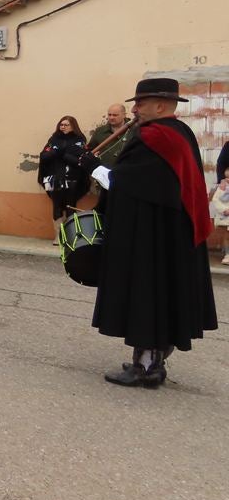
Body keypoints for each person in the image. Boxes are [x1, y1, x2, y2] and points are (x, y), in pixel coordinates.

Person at [67, 78, 218, 387]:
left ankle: (145, 368)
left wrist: (92, 166)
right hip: (170, 233)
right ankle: (153, 362)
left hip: (154, 238)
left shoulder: (154, 138)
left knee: (148, 295)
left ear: (160, 105)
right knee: (161, 296)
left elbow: (126, 184)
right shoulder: (180, 133)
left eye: (140, 103)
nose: (134, 109)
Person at [37, 115, 89, 243]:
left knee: (71, 206)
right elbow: (44, 156)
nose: (63, 127)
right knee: (57, 206)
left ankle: (70, 235)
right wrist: (58, 152)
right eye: (61, 124)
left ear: (73, 126)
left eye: (66, 125)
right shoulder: (54, 139)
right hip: (55, 178)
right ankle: (58, 236)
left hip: (73, 178)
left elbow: (80, 159)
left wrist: (64, 155)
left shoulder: (79, 140)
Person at [86, 103, 133, 168]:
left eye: (115, 115)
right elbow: (90, 149)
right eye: (109, 115)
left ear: (124, 115)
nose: (111, 117)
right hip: (103, 173)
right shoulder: (100, 131)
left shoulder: (134, 130)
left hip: (126, 172)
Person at [211, 165, 229, 266]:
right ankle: (227, 254)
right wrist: (224, 209)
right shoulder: (222, 188)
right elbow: (215, 199)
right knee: (227, 236)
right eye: (227, 178)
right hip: (226, 216)